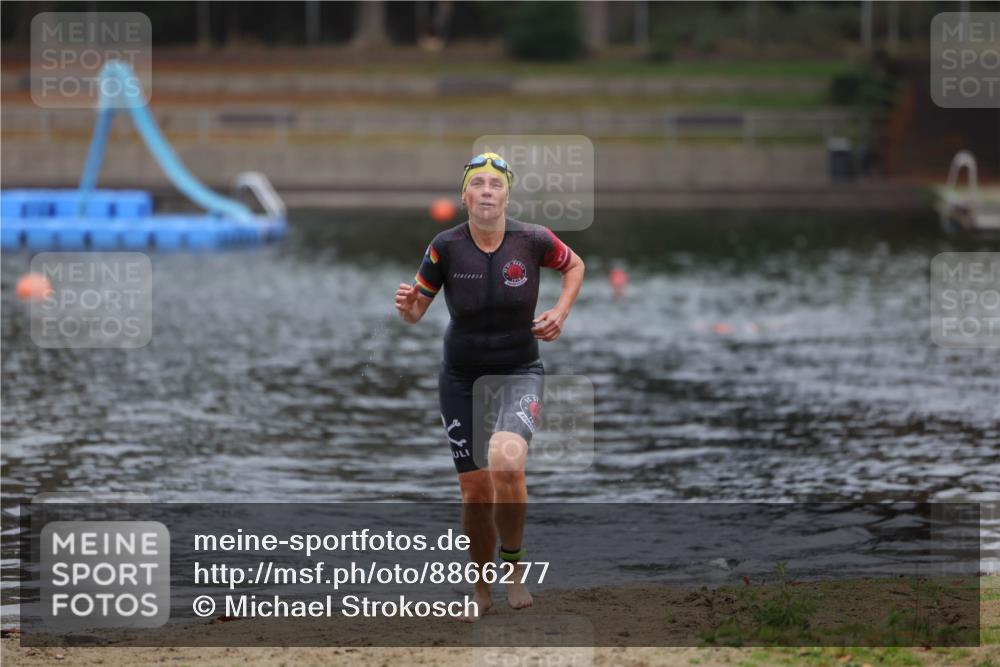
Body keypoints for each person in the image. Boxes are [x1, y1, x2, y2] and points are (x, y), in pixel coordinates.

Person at [395, 152, 585, 621]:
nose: (486, 191)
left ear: (506, 195)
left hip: (519, 369)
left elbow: (575, 265)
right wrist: (407, 307)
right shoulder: (444, 246)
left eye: (494, 184)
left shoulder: (534, 239)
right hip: (460, 375)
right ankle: (481, 588)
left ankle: (514, 569)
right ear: (464, 196)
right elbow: (417, 311)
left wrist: (560, 313)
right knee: (475, 491)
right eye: (477, 183)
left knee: (507, 460)